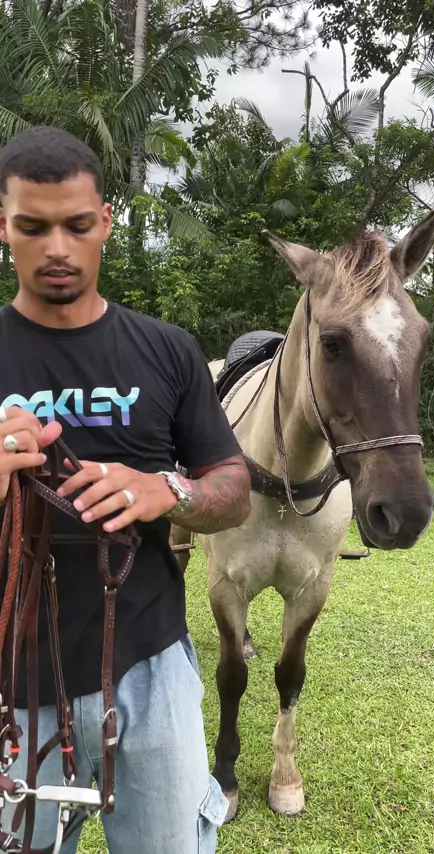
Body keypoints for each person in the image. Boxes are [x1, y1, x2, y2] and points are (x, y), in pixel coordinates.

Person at [0, 125, 251, 853]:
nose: (57, 247)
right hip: (12, 677)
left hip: (148, 663)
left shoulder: (166, 349)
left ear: (106, 221)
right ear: (3, 226)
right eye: (33, 227)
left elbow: (232, 487)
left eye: (78, 225)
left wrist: (167, 489)